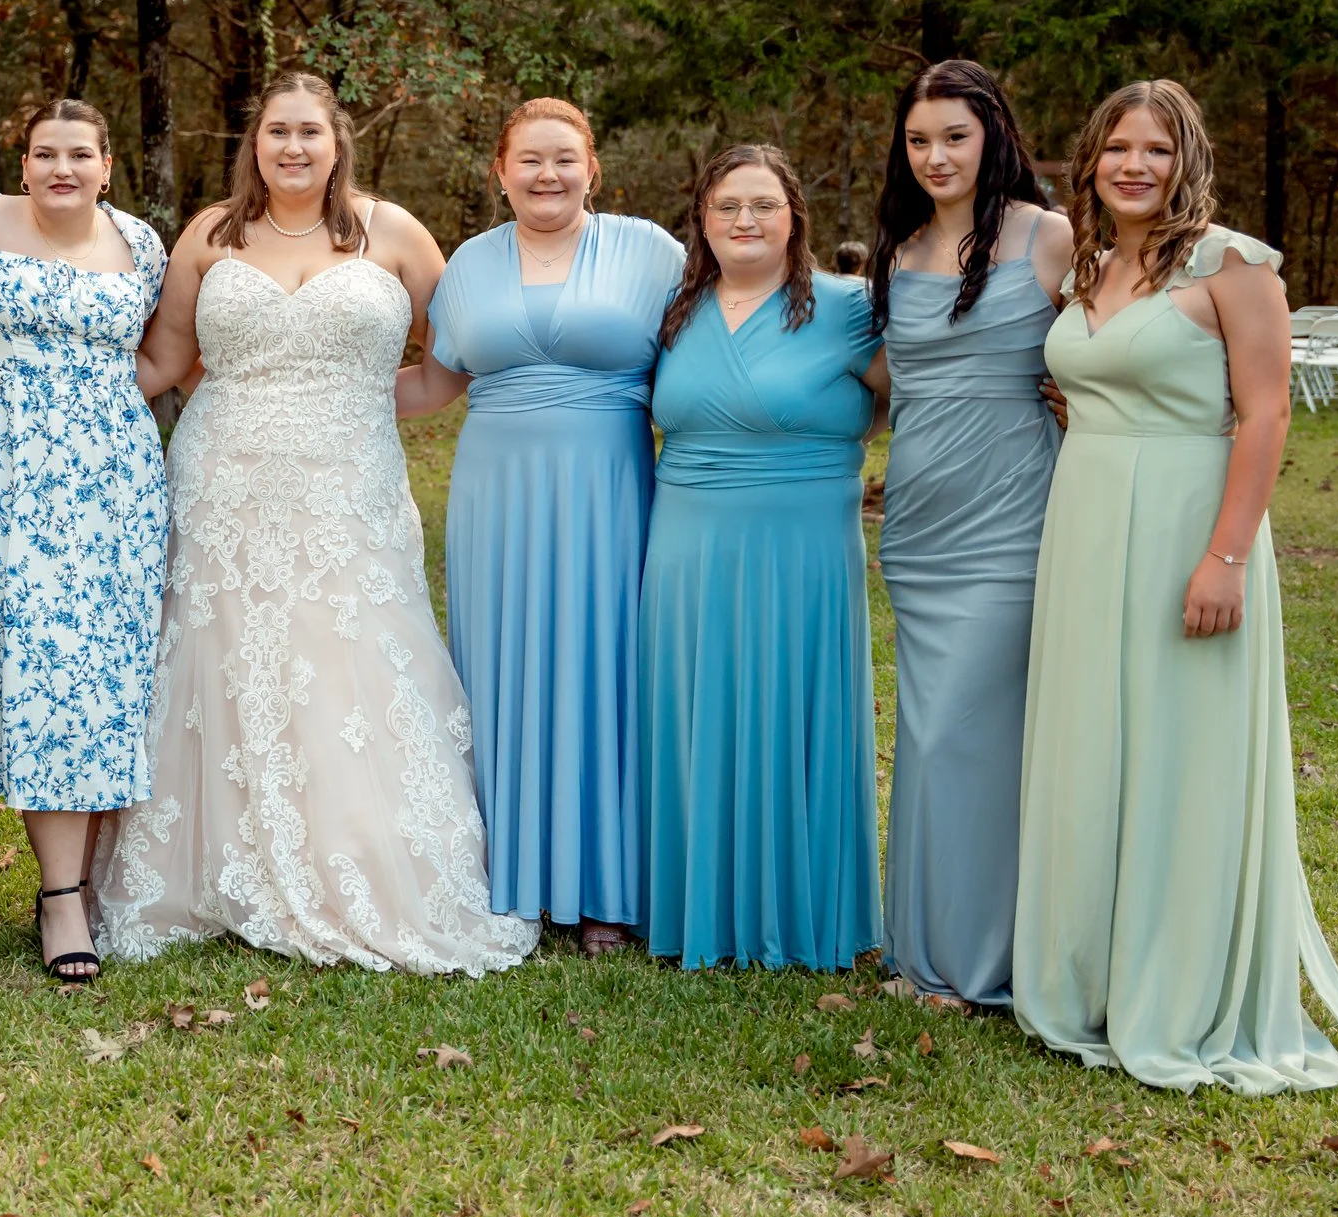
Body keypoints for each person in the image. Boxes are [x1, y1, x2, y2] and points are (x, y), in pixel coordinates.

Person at [1012, 81, 1338, 1093]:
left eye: (1155, 147)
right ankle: (1088, 981)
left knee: (1181, 752)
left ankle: (1182, 994)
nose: (1133, 165)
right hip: (1087, 525)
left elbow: (1264, 415)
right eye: (1115, 148)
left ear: (1187, 159)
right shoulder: (1090, 263)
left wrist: (1225, 555)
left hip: (1192, 526)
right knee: (1093, 745)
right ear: (1089, 161)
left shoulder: (1233, 264)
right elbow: (1094, 383)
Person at [93, 72, 538, 976]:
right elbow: (168, 362)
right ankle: (223, 868)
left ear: (338, 142)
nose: (292, 148)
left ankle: (365, 867)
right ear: (253, 143)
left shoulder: (398, 233)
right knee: (224, 659)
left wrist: (364, 406)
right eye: (275, 133)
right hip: (224, 480)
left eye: (309, 133)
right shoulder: (210, 235)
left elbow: (453, 362)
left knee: (353, 659)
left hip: (350, 484)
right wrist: (56, 393)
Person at [401, 99, 683, 954]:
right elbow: (430, 385)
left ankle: (606, 884)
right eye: (529, 159)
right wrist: (299, 394)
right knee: (502, 665)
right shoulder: (469, 268)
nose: (547, 174)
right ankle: (508, 872)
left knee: (608, 661)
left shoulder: (651, 252)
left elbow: (706, 351)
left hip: (610, 489)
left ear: (593, 167)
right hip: (499, 497)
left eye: (564, 158)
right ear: (500, 171)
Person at [0, 100, 167, 982]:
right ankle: (59, 901)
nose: (63, 167)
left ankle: (83, 884)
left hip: (111, 482)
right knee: (35, 668)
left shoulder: (143, 244)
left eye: (79, 153)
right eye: (45, 153)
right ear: (22, 164)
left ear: (107, 164)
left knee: (101, 673)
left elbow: (167, 357)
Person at [640, 146, 888, 971]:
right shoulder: (673, 310)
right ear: (702, 222)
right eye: (726, 207)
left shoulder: (848, 309)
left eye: (763, 205)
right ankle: (695, 901)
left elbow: (916, 393)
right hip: (686, 548)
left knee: (792, 707)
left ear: (795, 219)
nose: (744, 220)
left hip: (803, 549)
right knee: (694, 711)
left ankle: (801, 908)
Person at [866, 61, 1071, 1007]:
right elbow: (880, 384)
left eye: (954, 135)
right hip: (918, 518)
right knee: (927, 732)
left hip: (1012, 513)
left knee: (969, 733)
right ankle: (921, 948)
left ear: (993, 135)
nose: (936, 154)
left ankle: (980, 960)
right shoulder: (898, 248)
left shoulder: (1048, 236)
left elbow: (1100, 341)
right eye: (919, 139)